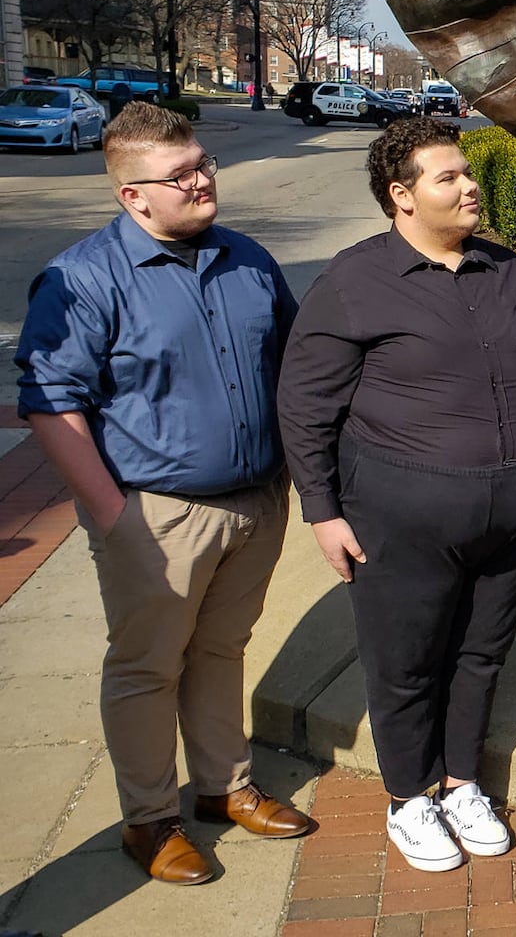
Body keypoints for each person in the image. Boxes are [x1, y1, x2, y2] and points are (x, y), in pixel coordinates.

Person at [15, 103, 311, 885]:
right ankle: (149, 818)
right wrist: (114, 517)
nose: (202, 180)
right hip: (157, 515)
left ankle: (223, 787)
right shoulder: (82, 279)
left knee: (221, 649)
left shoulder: (248, 260)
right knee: (148, 667)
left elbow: (297, 369)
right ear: (132, 195)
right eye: (179, 175)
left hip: (256, 500)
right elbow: (50, 403)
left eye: (204, 163)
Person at [277, 118, 516, 872]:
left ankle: (460, 782)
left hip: (514, 511)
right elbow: (305, 405)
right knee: (405, 661)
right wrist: (321, 509)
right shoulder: (353, 282)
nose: (469, 185)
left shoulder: (508, 272)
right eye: (448, 177)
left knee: (481, 654)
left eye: (466, 172)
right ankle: (409, 797)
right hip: (400, 515)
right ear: (401, 196)